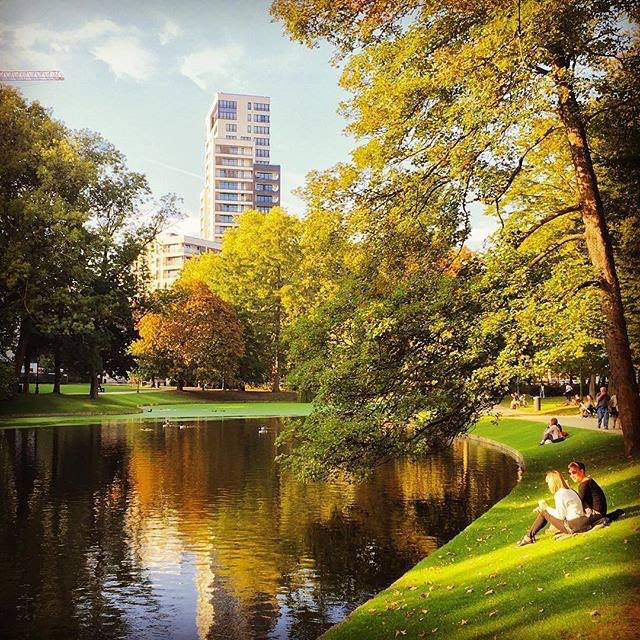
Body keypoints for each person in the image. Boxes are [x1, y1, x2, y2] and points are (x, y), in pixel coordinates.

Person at [516, 470, 589, 546]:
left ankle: (528, 537)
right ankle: (529, 536)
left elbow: (561, 516)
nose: (548, 486)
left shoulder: (560, 494)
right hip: (583, 522)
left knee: (544, 512)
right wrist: (546, 509)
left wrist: (546, 508)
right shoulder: (569, 490)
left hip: (574, 526)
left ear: (553, 482)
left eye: (548, 483)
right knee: (544, 512)